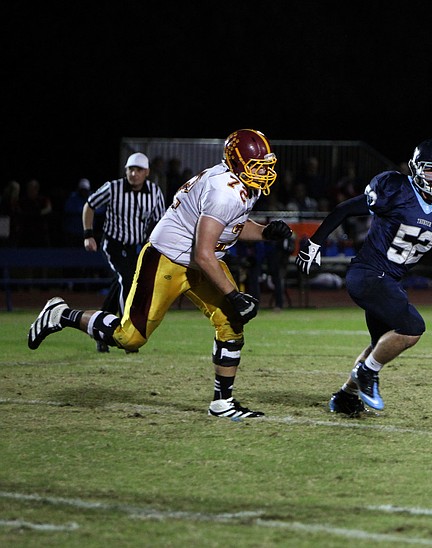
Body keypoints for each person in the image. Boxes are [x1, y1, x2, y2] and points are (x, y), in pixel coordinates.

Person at [27, 129, 294, 419]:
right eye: (257, 165)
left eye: (266, 165)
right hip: (168, 258)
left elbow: (232, 227)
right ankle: (61, 314)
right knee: (129, 338)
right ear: (236, 161)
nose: (265, 171)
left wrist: (265, 232)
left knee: (231, 323)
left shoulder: (236, 183)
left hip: (201, 259)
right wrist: (234, 294)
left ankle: (222, 403)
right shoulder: (224, 190)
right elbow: (203, 253)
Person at [295, 139, 432, 416]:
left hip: (390, 281)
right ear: (415, 169)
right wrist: (315, 242)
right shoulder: (395, 189)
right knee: (412, 328)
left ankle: (345, 397)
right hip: (367, 274)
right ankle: (366, 373)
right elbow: (344, 209)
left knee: (381, 344)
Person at [83, 153, 166, 352]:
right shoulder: (113, 188)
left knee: (120, 284)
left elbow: (160, 221)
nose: (133, 174)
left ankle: (101, 330)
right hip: (113, 244)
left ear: (146, 172)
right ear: (126, 170)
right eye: (130, 169)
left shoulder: (154, 192)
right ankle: (125, 333)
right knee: (128, 280)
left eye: (138, 170)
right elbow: (90, 205)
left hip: (135, 247)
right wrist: (88, 234)